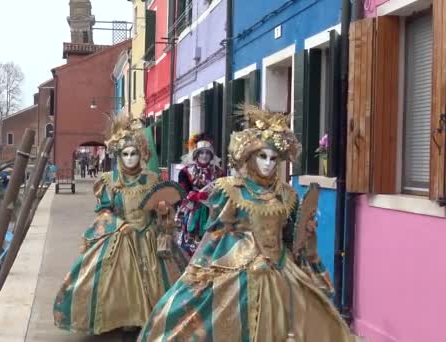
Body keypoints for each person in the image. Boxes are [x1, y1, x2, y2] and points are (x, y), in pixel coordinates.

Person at [138, 105, 355, 341]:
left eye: (274, 158)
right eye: (262, 157)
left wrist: (307, 230)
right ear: (251, 158)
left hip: (280, 267)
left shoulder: (287, 194)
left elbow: (291, 238)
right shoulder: (231, 190)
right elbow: (217, 233)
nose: (268, 164)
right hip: (239, 266)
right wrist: (209, 267)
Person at [53, 114, 188, 335]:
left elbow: (161, 213)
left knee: (158, 281)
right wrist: (118, 225)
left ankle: (150, 319)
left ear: (141, 154)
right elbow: (104, 212)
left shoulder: (152, 179)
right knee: (116, 280)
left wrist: (163, 211)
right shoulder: (110, 181)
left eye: (134, 153)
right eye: (125, 154)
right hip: (122, 236)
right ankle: (123, 318)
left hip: (149, 237)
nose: (130, 159)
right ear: (119, 155)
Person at [176, 133, 223, 257]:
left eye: (207, 153)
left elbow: (224, 190)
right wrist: (195, 196)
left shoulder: (219, 172)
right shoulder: (186, 171)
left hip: (213, 211)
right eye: (201, 153)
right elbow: (182, 191)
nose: (204, 156)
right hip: (193, 212)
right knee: (192, 247)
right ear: (196, 154)